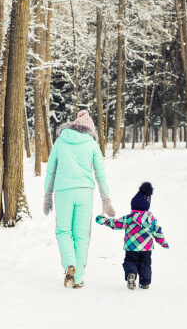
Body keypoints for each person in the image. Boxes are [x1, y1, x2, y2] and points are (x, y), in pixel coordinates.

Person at [44, 110, 114, 289]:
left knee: (63, 231)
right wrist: (106, 199)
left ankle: (69, 265)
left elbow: (51, 170)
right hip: (85, 192)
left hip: (64, 191)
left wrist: (47, 196)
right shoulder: (91, 144)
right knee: (82, 235)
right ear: (90, 129)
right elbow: (100, 174)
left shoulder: (60, 141)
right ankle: (79, 277)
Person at [96, 182, 169, 290]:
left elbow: (116, 224)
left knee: (130, 261)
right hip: (146, 248)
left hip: (131, 247)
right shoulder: (151, 219)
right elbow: (157, 231)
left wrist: (103, 220)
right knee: (145, 264)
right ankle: (145, 283)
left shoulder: (129, 218)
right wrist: (162, 242)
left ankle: (131, 274)